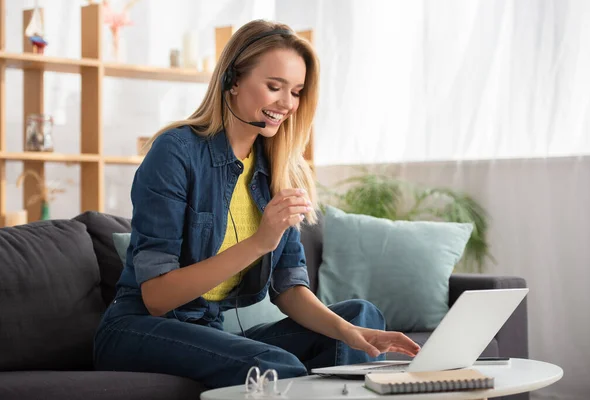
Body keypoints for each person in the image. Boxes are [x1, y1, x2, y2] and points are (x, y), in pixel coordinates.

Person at [93, 19, 420, 389]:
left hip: (207, 330)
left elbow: (288, 289)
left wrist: (349, 333)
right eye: (274, 87)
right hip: (139, 328)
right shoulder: (176, 152)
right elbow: (156, 297)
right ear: (232, 80)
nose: (287, 104)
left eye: (296, 92)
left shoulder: (278, 168)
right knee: (274, 364)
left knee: (362, 316)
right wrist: (260, 242)